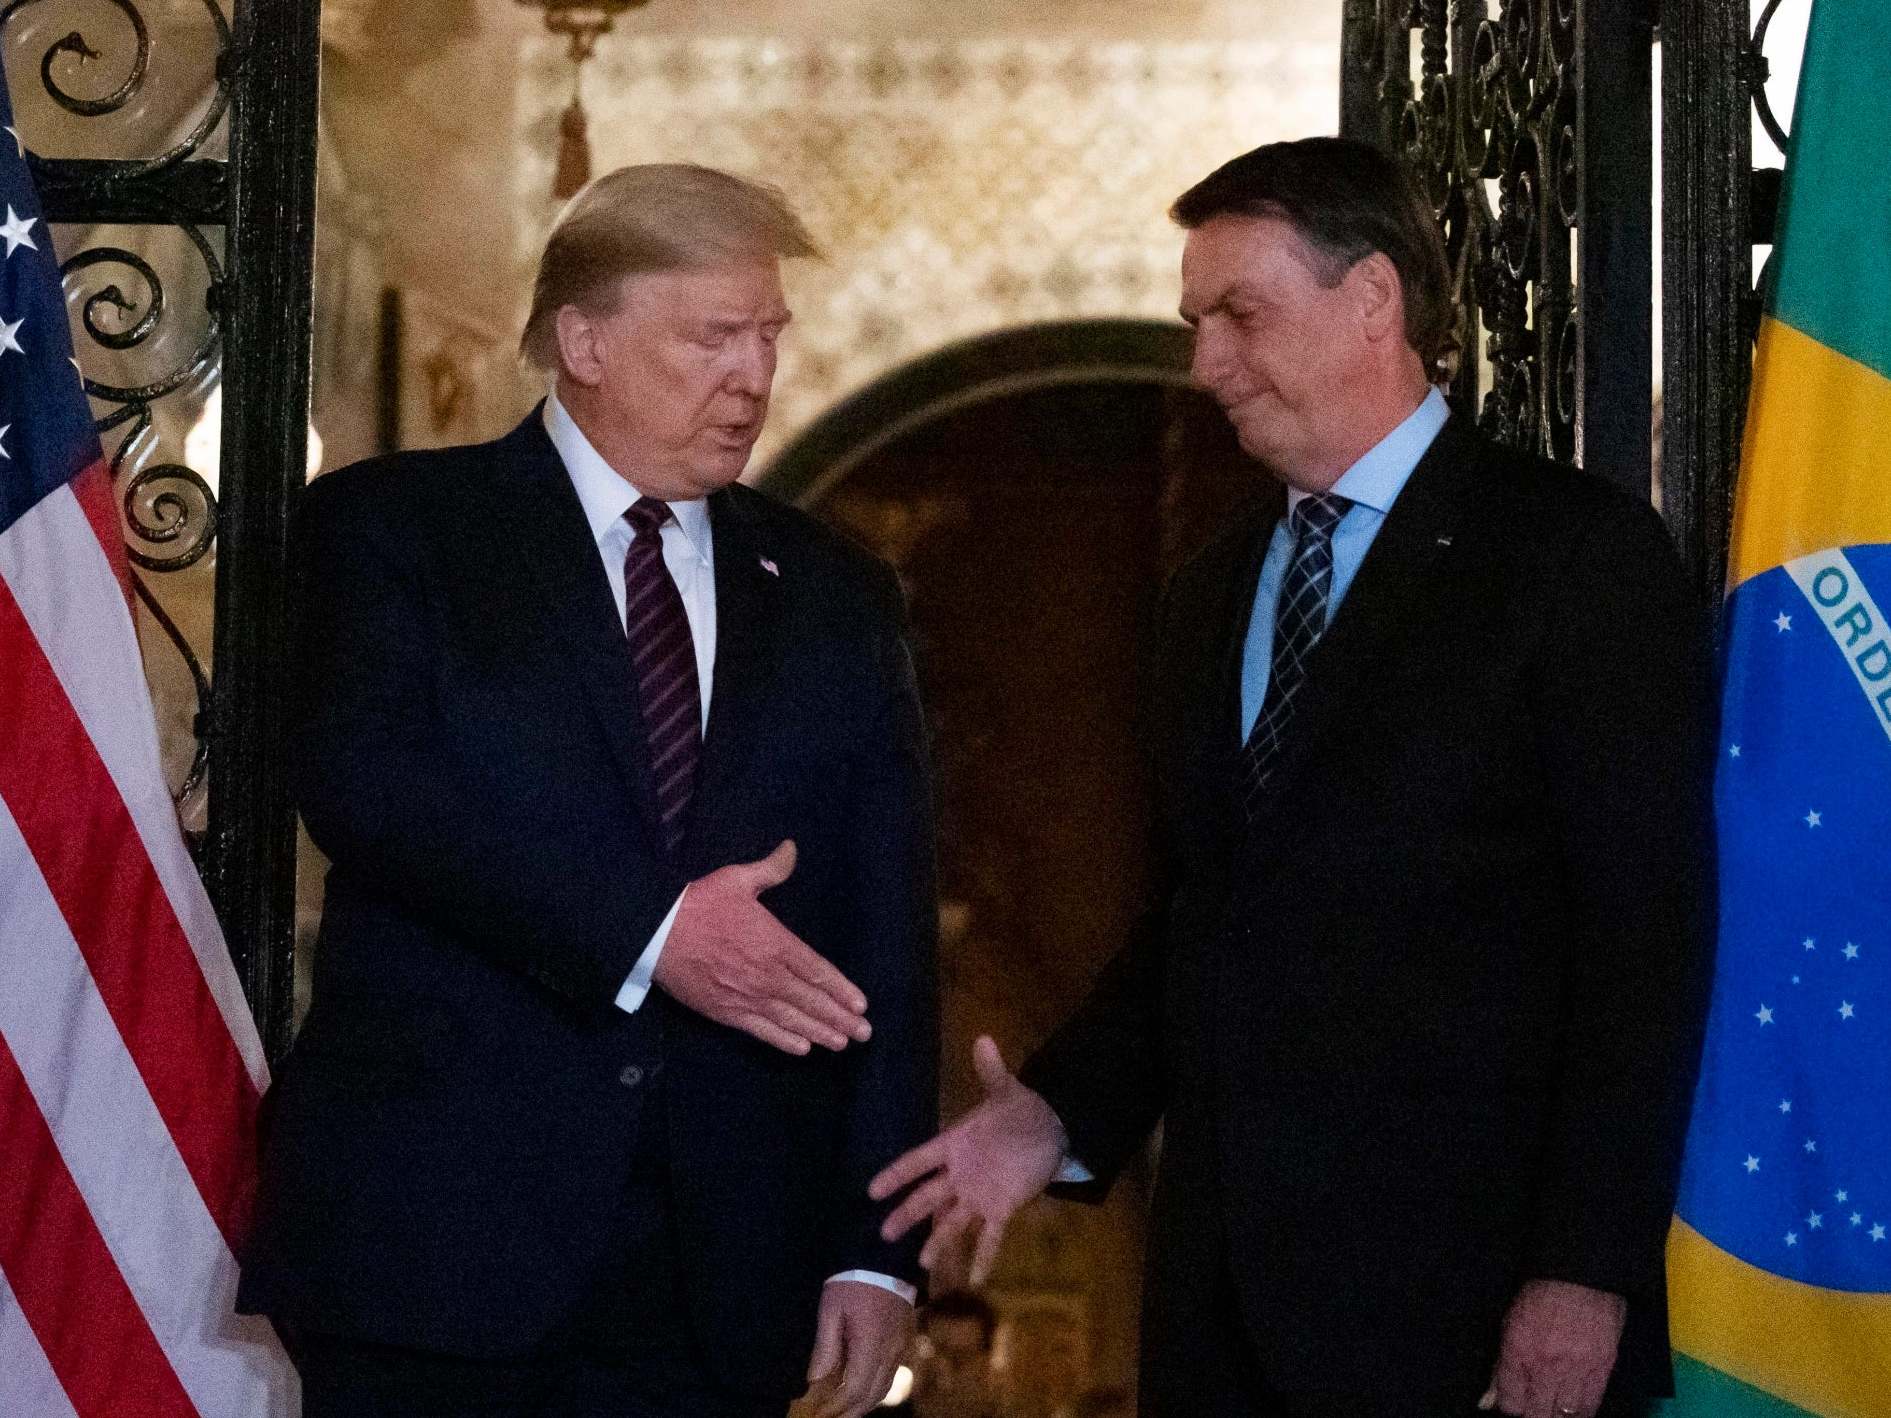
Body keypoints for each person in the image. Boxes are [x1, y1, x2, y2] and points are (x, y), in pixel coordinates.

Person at [871, 137, 1715, 1418]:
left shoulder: (1567, 557)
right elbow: (1211, 918)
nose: (1204, 363)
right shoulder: (1208, 593)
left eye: (1238, 315)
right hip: (1224, 1318)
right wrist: (1057, 1111)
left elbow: (1642, 947)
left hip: (1473, 1315)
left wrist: (1581, 1275)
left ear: (1371, 298)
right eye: (1194, 322)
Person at [239, 163, 938, 1418]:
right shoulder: (398, 530)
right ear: (584, 339)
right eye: (711, 336)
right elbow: (366, 782)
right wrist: (651, 932)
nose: (753, 376)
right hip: (437, 1252)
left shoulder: (838, 591)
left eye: (768, 335)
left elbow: (883, 928)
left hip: (725, 1274)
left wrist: (872, 1244)